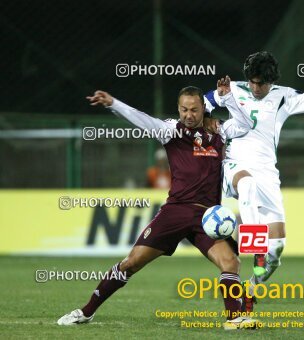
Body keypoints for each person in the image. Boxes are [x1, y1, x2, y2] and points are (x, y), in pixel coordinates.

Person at [57, 79, 259, 330]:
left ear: (203, 109)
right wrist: (113, 104)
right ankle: (85, 312)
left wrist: (228, 98)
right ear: (178, 109)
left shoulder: (217, 132)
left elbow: (246, 124)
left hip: (207, 217)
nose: (188, 115)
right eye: (184, 109)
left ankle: (235, 319)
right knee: (131, 263)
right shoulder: (170, 131)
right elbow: (141, 119)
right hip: (176, 211)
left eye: (194, 110)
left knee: (231, 263)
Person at [204, 51, 304, 311]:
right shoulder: (234, 89)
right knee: (246, 185)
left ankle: (251, 287)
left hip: (267, 173)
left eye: (262, 83)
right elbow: (200, 104)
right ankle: (254, 244)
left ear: (271, 80)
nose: (256, 87)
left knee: (278, 250)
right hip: (235, 165)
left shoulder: (283, 96)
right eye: (253, 81)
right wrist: (208, 121)